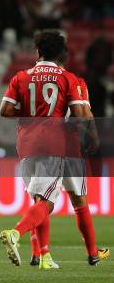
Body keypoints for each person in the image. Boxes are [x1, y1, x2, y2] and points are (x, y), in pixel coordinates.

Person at [0, 31, 93, 269]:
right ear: (61, 54)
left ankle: (43, 256)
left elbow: (5, 110)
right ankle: (16, 233)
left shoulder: (21, 76)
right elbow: (81, 115)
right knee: (48, 203)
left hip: (26, 144)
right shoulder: (67, 78)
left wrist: (32, 114)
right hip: (54, 143)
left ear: (38, 52)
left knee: (38, 198)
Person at [27, 76, 109, 267]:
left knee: (40, 200)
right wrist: (93, 136)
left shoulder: (33, 82)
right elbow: (83, 113)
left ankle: (37, 253)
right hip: (70, 147)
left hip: (41, 145)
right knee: (79, 201)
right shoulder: (75, 81)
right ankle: (92, 253)